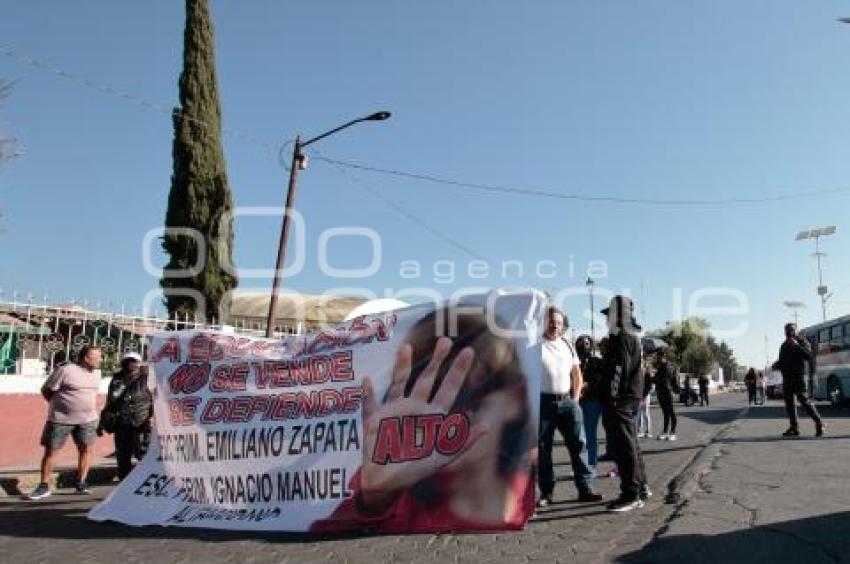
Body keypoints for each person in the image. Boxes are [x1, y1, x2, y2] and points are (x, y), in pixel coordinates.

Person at [311, 308, 537, 532]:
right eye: (432, 390)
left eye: (477, 391)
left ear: (516, 399)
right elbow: (323, 530)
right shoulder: (397, 498)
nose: (452, 415)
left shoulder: (523, 485)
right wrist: (373, 499)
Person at [536, 307, 601, 507]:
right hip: (542, 403)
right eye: (551, 321)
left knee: (579, 446)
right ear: (543, 322)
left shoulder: (568, 345)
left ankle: (585, 489)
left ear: (563, 325)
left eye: (559, 322)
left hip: (568, 402)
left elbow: (577, 375)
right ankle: (546, 492)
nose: (555, 325)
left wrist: (574, 398)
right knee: (543, 450)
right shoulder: (534, 344)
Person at [28, 345, 103, 500]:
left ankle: (81, 483)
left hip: (88, 419)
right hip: (61, 419)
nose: (100, 360)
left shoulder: (97, 373)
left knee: (86, 449)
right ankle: (44, 486)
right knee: (52, 450)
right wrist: (60, 406)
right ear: (86, 358)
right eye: (97, 357)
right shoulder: (66, 370)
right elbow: (46, 390)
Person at [599, 296, 649, 512]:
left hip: (621, 400)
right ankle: (641, 486)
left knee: (624, 446)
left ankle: (631, 493)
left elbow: (619, 369)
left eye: (608, 314)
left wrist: (613, 397)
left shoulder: (623, 337)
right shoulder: (631, 336)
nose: (606, 319)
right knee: (632, 445)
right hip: (629, 398)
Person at [97, 351, 153, 480]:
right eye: (127, 361)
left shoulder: (147, 378)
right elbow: (110, 402)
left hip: (141, 423)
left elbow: (155, 400)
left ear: (139, 363)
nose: (130, 364)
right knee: (123, 457)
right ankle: (124, 485)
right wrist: (102, 422)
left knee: (143, 455)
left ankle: (144, 482)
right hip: (121, 423)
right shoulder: (117, 379)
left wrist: (150, 418)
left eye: (133, 361)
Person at [772, 323, 824, 438]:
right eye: (787, 330)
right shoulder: (784, 345)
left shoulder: (802, 342)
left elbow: (808, 356)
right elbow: (782, 360)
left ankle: (819, 423)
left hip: (799, 377)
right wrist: (776, 365)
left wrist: (797, 346)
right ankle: (794, 427)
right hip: (787, 378)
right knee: (789, 403)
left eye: (791, 330)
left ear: (796, 331)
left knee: (804, 401)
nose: (789, 332)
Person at [576, 335, 604, 471]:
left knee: (590, 432)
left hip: (593, 402)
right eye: (580, 343)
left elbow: (601, 381)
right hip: (578, 401)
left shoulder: (597, 362)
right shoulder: (574, 363)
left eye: (586, 343)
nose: (583, 345)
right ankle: (583, 462)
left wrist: (588, 385)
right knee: (579, 435)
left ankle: (591, 462)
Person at [653, 349, 680, 441]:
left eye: (659, 357)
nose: (658, 359)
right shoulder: (660, 367)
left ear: (664, 357)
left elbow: (666, 380)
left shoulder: (669, 367)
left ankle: (673, 432)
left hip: (667, 391)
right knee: (665, 413)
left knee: (671, 412)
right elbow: (656, 379)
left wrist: (676, 389)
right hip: (660, 391)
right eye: (657, 357)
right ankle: (665, 432)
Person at [636, 365, 653, 439]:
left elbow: (649, 387)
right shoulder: (639, 375)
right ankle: (640, 431)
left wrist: (644, 396)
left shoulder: (648, 375)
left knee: (646, 413)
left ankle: (648, 431)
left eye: (643, 367)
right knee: (639, 414)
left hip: (645, 396)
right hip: (640, 396)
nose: (642, 369)